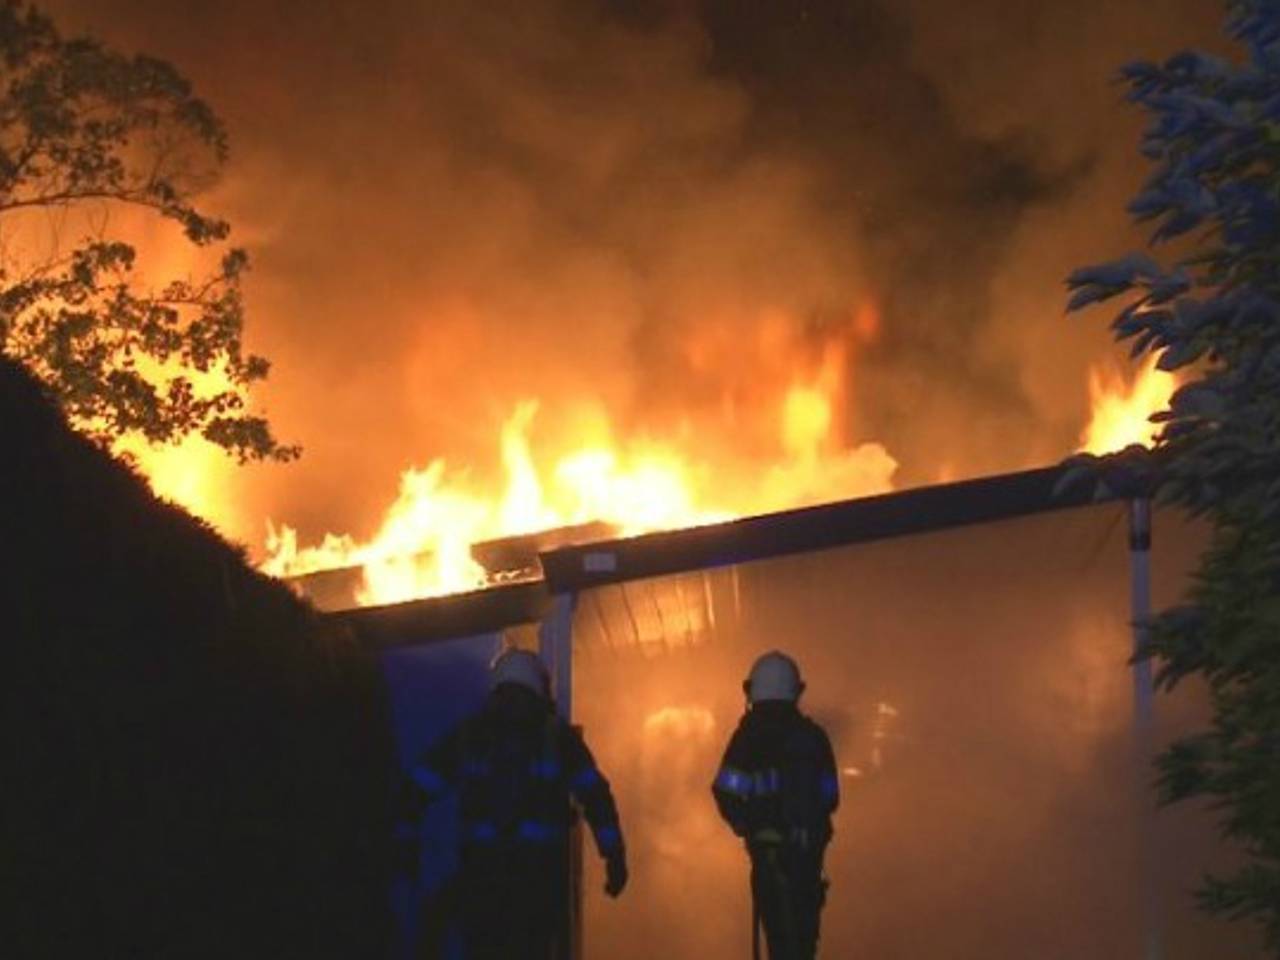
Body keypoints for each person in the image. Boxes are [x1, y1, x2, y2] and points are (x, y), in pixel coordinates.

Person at [399, 647, 627, 960]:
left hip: (481, 882)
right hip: (537, 885)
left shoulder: (470, 735)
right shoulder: (558, 738)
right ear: (539, 688)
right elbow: (596, 798)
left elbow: (416, 789)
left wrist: (406, 844)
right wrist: (614, 857)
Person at [712, 651, 839, 960]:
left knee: (780, 943)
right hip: (808, 860)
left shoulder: (748, 738)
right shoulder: (814, 736)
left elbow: (725, 790)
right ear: (795, 690)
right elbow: (831, 797)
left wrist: (746, 825)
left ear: (755, 691)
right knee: (804, 945)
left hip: (770, 861)